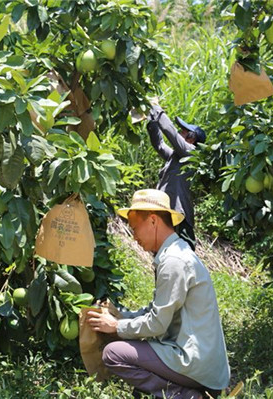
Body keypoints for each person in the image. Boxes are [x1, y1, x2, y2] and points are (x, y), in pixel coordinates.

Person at [88, 189, 230, 399]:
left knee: (113, 353)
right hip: (201, 362)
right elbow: (158, 310)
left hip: (194, 363)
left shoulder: (173, 261)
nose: (134, 237)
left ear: (153, 221)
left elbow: (157, 324)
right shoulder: (174, 254)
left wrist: (116, 326)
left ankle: (186, 396)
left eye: (135, 229)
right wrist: (121, 315)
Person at [147, 105, 206, 251]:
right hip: (168, 214)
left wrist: (156, 109)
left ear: (191, 139)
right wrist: (151, 120)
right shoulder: (176, 157)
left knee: (182, 257)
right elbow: (159, 145)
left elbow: (171, 134)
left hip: (180, 217)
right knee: (161, 255)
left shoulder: (191, 153)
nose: (180, 132)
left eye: (184, 131)